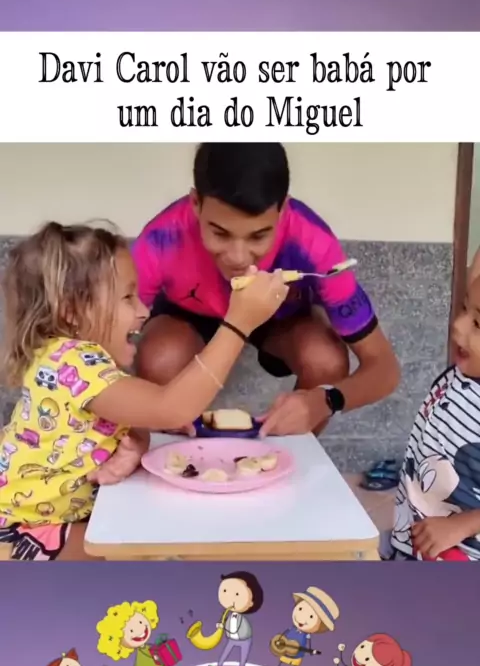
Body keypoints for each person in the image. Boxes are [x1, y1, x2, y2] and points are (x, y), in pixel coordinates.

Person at [0, 222, 288, 561]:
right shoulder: (73, 364)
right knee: (141, 557)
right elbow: (170, 408)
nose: (144, 310)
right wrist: (238, 323)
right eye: (127, 297)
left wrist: (136, 440)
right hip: (18, 530)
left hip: (49, 518)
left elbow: (141, 415)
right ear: (72, 312)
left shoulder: (70, 359)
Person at [132, 143, 400, 436]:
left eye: (258, 236)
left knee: (325, 359)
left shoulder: (314, 244)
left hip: (278, 318)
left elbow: (384, 369)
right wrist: (136, 424)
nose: (238, 257)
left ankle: (288, 453)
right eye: (220, 233)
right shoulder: (161, 238)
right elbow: (99, 355)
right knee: (160, 356)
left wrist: (325, 401)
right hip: (188, 316)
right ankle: (172, 453)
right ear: (195, 203)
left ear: (283, 209)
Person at [391, 252, 480, 561]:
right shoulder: (463, 373)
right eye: (465, 308)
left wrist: (462, 525)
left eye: (478, 322)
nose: (458, 325)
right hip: (418, 533)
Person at [96, 599, 185, 666]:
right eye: (131, 630)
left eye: (140, 622)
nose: (140, 630)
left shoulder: (150, 645)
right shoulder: (141, 652)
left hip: (152, 653)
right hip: (145, 661)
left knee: (162, 661)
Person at [263, 586, 339, 666]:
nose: (302, 618)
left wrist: (311, 651)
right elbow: (283, 635)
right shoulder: (292, 629)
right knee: (280, 664)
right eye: (300, 609)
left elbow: (308, 645)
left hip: (297, 654)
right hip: (285, 649)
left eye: (311, 616)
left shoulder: (306, 635)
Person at [208, 571, 264, 666]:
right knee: (226, 651)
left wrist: (229, 630)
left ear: (251, 603)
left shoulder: (242, 620)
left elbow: (245, 631)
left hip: (244, 640)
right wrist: (222, 626)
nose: (230, 599)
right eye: (225, 591)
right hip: (232, 639)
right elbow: (228, 625)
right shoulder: (229, 616)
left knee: (243, 655)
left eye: (237, 594)